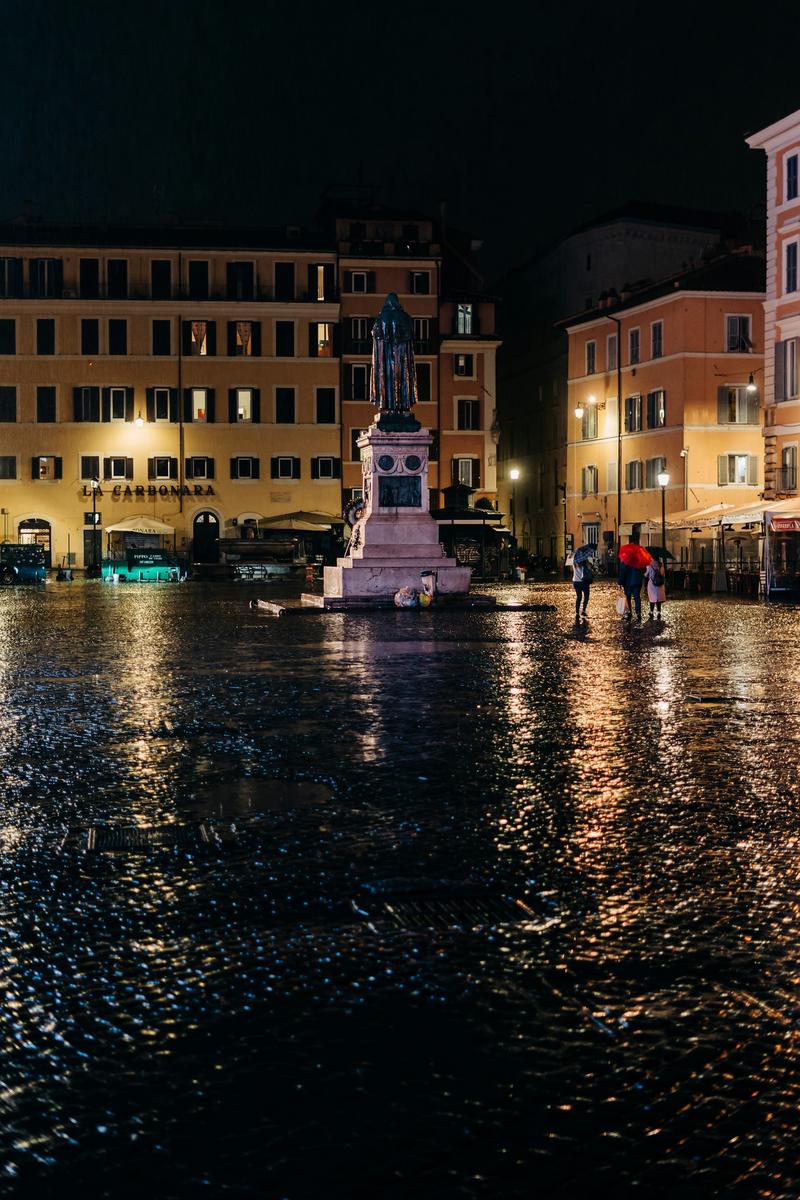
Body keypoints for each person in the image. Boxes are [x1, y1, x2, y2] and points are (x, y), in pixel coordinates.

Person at [618, 557, 645, 622]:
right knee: (637, 598)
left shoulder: (624, 562)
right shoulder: (639, 561)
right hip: (637, 582)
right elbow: (644, 570)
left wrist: (620, 582)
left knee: (628, 598)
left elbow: (622, 573)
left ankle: (629, 613)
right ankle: (638, 613)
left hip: (627, 583)